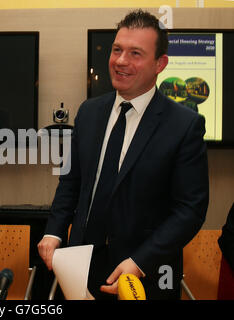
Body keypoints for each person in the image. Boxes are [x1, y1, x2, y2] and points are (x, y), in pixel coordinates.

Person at [38, 9, 209, 300]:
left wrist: (140, 263)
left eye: (135, 53)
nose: (120, 61)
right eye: (117, 49)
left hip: (145, 273)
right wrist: (54, 231)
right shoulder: (89, 112)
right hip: (80, 269)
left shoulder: (184, 125)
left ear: (160, 64)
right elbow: (71, 182)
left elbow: (190, 210)